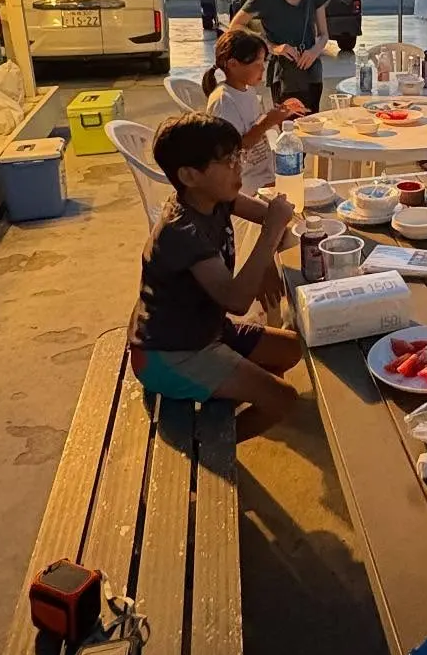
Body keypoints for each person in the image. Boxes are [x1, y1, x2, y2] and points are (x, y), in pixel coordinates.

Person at [128, 113, 301, 436]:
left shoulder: (216, 198)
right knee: (285, 400)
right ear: (189, 175)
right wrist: (270, 235)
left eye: (238, 155)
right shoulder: (182, 231)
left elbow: (271, 217)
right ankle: (203, 448)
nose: (239, 166)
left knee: (292, 348)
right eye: (226, 161)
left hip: (206, 330)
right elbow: (237, 300)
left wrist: (265, 259)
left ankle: (228, 392)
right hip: (170, 353)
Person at [228, 0, 330, 112]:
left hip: (312, 72)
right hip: (283, 74)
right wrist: (273, 47)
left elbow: (323, 35)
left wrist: (314, 51)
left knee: (312, 124)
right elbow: (235, 26)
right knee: (289, 128)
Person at [201, 28, 306, 194]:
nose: (263, 70)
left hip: (264, 174)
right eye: (257, 64)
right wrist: (268, 121)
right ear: (233, 65)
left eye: (263, 63)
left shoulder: (247, 90)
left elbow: (254, 125)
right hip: (243, 186)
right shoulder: (224, 101)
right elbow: (235, 147)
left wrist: (281, 113)